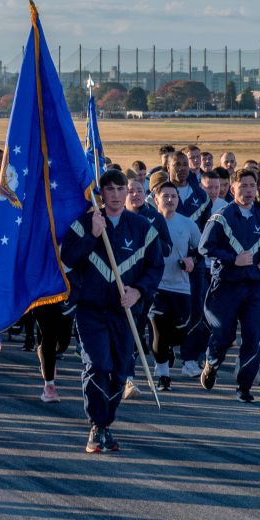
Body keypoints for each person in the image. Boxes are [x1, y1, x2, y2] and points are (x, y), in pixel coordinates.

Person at [59, 169, 164, 454]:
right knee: (97, 366)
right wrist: (92, 236)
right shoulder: (85, 224)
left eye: (121, 189)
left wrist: (138, 291)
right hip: (91, 309)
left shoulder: (144, 228)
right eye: (110, 189)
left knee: (119, 372)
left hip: (125, 312)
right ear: (101, 193)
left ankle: (106, 424)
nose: (116, 195)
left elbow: (155, 267)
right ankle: (95, 425)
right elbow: (67, 258)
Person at [198, 168, 260, 401]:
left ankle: (244, 387)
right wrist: (232, 259)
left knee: (253, 336)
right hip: (227, 285)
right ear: (232, 188)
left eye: (252, 186)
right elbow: (205, 247)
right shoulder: (221, 217)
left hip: (254, 287)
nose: (248, 190)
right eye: (243, 186)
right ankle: (212, 363)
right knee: (224, 335)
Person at [146, 173, 198, 390]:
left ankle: (167, 352)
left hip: (181, 286)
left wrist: (192, 260)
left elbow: (201, 250)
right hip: (156, 286)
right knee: (158, 330)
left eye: (173, 196)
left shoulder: (188, 224)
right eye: (165, 196)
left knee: (178, 331)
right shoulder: (146, 222)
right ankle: (163, 376)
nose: (169, 200)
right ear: (156, 200)